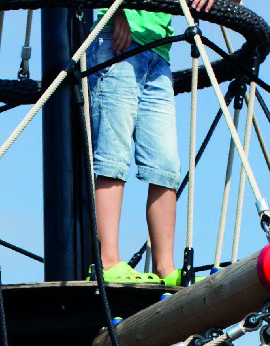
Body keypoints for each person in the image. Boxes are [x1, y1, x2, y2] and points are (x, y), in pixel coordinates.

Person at [89, 0, 215, 285]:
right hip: (116, 40)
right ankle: (106, 260)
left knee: (165, 164)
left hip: (159, 53)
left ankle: (164, 266)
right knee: (112, 154)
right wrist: (116, 11)